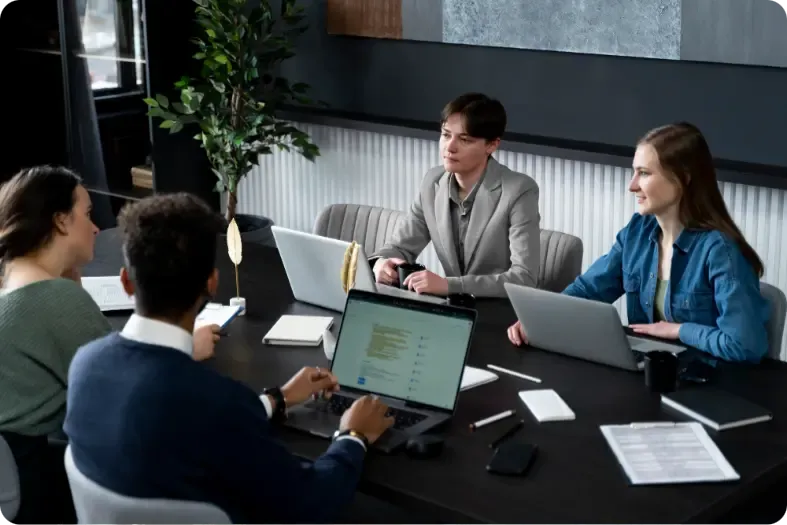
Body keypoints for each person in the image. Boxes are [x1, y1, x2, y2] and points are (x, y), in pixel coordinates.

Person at [64, 193, 394, 524]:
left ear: (126, 281)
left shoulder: (84, 365)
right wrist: (353, 437)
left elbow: (196, 424)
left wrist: (276, 400)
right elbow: (311, 503)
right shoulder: (216, 402)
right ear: (212, 282)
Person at [0, 166, 221, 524]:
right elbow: (127, 382)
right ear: (59, 221)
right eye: (86, 215)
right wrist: (186, 346)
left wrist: (71, 278)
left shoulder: (11, 282)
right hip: (40, 486)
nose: (95, 227)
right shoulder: (53, 298)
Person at [507, 122, 769, 363]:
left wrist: (680, 330)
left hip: (709, 386)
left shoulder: (720, 250)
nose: (632, 186)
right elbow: (589, 290)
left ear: (684, 178)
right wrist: (540, 320)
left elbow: (744, 345)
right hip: (649, 375)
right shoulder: (637, 232)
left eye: (644, 173)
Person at [371, 93, 541, 298]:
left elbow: (524, 278)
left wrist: (450, 285)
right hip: (450, 309)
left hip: (498, 315)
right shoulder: (432, 182)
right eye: (445, 135)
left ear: (492, 145)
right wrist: (381, 262)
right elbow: (400, 247)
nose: (449, 147)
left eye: (465, 139)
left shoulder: (519, 190)